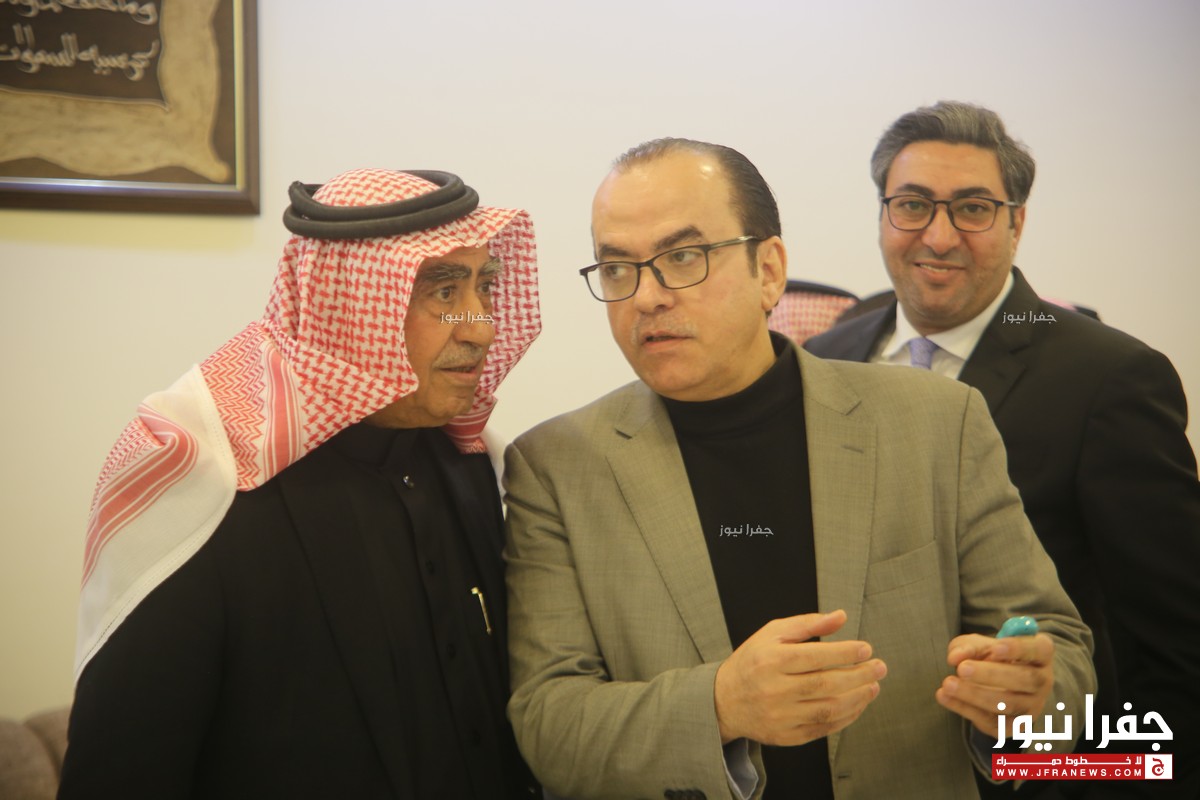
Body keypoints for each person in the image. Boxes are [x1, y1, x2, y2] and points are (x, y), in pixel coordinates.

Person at [503, 138, 1095, 800]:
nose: (646, 297)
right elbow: (548, 724)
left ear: (769, 270)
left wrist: (1030, 700)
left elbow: (1060, 650)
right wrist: (720, 706)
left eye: (682, 258)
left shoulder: (935, 423)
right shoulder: (557, 467)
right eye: (618, 269)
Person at [58, 169, 542, 799]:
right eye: (444, 291)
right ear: (351, 306)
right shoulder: (204, 487)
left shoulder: (470, 464)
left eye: (485, 287)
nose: (481, 327)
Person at [805, 101, 1200, 797]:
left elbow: (1176, 643)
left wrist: (1093, 778)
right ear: (882, 215)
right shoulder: (821, 362)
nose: (939, 235)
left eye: (973, 209)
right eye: (912, 205)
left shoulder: (1109, 378)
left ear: (1017, 223)